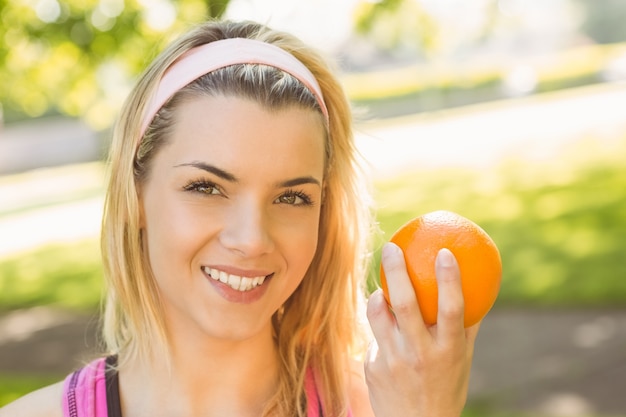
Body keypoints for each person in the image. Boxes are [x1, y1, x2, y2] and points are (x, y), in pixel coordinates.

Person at [0, 19, 480, 417]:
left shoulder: (387, 408)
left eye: (292, 198)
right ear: (136, 198)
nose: (251, 240)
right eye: (206, 188)